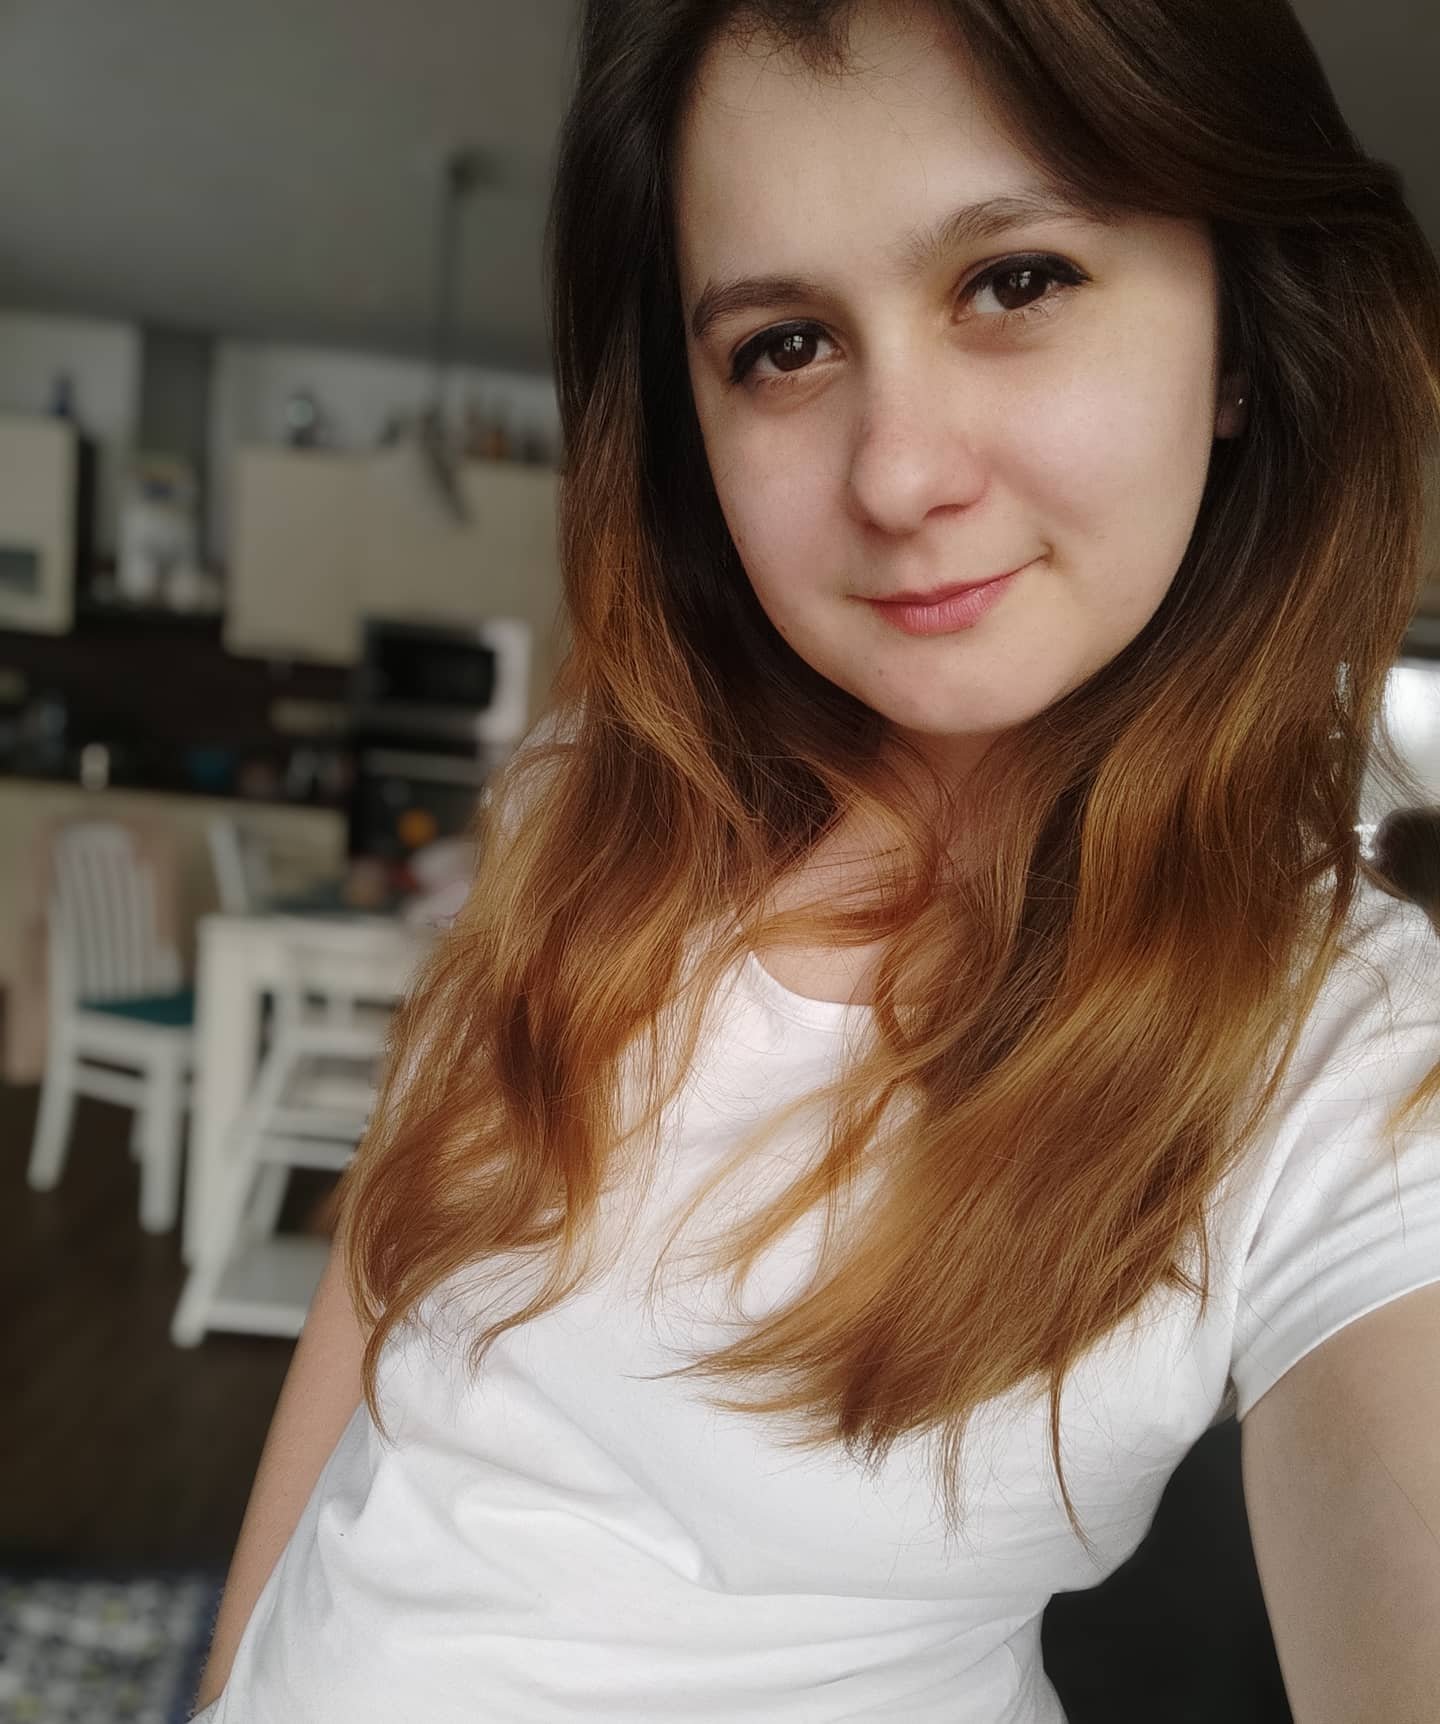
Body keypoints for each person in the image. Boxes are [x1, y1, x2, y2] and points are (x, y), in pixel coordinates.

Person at [191, 0, 1440, 1718]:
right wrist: (226, 1684)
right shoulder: (596, 796)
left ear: (1239, 332)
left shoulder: (1346, 1052)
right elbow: (385, 1305)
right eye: (783, 345)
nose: (899, 474)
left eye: (1016, 280)